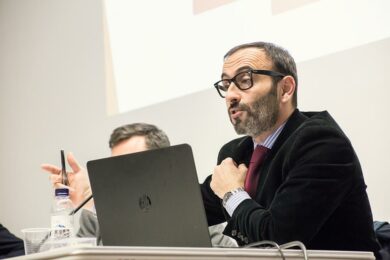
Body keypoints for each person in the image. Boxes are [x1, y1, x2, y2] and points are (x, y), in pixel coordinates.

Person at [200, 42, 380, 255]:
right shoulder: (236, 152)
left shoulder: (321, 143)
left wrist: (232, 194)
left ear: (285, 89)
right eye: (226, 84)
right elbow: (193, 210)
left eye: (244, 81)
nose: (230, 95)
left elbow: (280, 241)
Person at [42, 123, 236, 247]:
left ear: (161, 166)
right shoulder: (93, 216)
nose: (120, 177)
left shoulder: (193, 205)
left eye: (129, 167)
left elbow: (227, 253)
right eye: (114, 168)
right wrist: (87, 202)